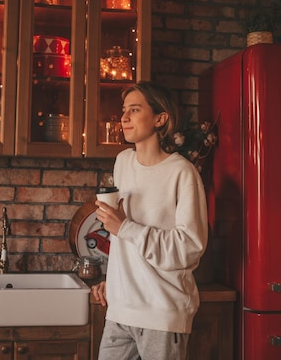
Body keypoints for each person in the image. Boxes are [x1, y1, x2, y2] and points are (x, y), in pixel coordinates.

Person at [92, 81, 208, 360]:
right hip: (120, 308)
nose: (124, 117)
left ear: (160, 118)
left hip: (161, 311)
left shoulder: (182, 173)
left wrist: (125, 227)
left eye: (134, 109)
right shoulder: (122, 162)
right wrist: (115, 281)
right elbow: (123, 241)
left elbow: (189, 247)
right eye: (124, 110)